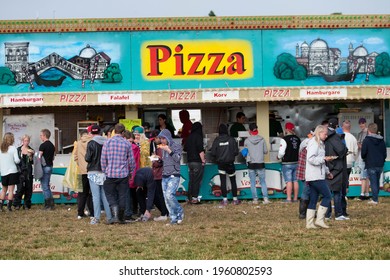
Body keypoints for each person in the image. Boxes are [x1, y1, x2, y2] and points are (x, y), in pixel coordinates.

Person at [101, 123, 136, 224]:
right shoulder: (127, 144)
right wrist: (130, 172)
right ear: (123, 132)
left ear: (114, 131)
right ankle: (120, 218)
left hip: (110, 174)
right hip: (123, 174)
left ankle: (115, 216)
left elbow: (103, 159)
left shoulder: (107, 142)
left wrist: (105, 170)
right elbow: (131, 161)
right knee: (122, 196)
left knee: (110, 194)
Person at [305, 125, 334, 229]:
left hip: (316, 175)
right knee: (328, 196)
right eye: (325, 134)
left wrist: (327, 172)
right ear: (319, 132)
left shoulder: (320, 144)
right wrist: (324, 159)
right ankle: (319, 220)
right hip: (315, 176)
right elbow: (311, 159)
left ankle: (309, 223)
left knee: (313, 199)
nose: (326, 136)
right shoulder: (314, 143)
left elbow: (321, 160)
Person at [85, 125, 112, 225]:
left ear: (91, 133)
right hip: (105, 171)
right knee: (105, 195)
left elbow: (87, 158)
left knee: (95, 196)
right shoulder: (107, 142)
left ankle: (96, 218)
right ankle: (109, 217)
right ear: (101, 132)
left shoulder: (91, 143)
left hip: (93, 171)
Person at [157, 129, 184, 225]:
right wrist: (158, 160)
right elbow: (165, 161)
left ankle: (179, 211)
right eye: (161, 139)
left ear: (168, 137)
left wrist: (169, 150)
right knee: (166, 198)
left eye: (163, 138)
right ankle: (173, 218)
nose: (162, 141)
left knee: (169, 195)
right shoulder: (162, 148)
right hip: (164, 174)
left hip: (174, 174)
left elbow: (177, 158)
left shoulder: (176, 146)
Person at [324, 118, 348, 221]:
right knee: (337, 192)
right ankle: (338, 214)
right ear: (336, 126)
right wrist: (345, 149)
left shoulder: (323, 136)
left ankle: (327, 214)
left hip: (325, 166)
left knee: (327, 192)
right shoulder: (335, 136)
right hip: (336, 167)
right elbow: (341, 150)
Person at [211, 123, 240, 206]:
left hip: (221, 164)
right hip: (230, 163)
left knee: (223, 181)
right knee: (233, 181)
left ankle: (225, 200)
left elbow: (213, 152)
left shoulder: (217, 140)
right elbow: (236, 152)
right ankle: (235, 200)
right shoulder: (231, 139)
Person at [243, 123, 270, 204]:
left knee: (252, 182)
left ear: (249, 131)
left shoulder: (247, 141)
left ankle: (255, 200)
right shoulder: (262, 139)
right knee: (263, 182)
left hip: (251, 164)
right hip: (260, 163)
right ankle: (265, 199)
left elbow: (245, 153)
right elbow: (265, 151)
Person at [361, 123, 387, 205]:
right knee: (377, 181)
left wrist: (365, 159)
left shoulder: (366, 140)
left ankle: (375, 199)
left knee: (373, 182)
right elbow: (384, 153)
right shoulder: (382, 140)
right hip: (380, 164)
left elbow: (363, 153)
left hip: (370, 163)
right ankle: (376, 197)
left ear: (368, 130)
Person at [277, 122, 301, 202]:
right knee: (295, 181)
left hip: (287, 163)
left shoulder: (284, 139)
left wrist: (278, 157)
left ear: (286, 129)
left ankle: (288, 198)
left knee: (288, 181)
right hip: (296, 162)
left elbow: (281, 153)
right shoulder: (298, 139)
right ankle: (295, 198)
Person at [149, 129, 169, 221]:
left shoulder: (160, 148)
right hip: (163, 174)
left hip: (159, 174)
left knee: (160, 195)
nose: (154, 140)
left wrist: (154, 160)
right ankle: (166, 212)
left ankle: (164, 213)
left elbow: (159, 162)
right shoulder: (165, 147)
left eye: (155, 138)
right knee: (163, 194)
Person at [74, 129, 94, 220]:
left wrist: (81, 165)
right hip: (92, 170)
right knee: (92, 193)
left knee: (82, 193)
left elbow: (75, 157)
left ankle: (80, 213)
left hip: (82, 171)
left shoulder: (78, 143)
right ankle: (92, 212)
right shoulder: (92, 141)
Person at [184, 122, 206, 204]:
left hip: (190, 162)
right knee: (196, 181)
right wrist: (203, 160)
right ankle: (194, 199)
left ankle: (189, 198)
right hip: (197, 162)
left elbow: (185, 148)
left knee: (191, 180)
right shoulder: (199, 137)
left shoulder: (189, 137)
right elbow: (200, 150)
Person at [0, 133, 21, 211]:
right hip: (12, 171)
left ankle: (1, 207)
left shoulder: (1, 149)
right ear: (12, 139)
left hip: (3, 171)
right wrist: (20, 158)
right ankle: (9, 207)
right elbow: (17, 160)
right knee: (11, 190)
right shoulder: (13, 148)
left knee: (3, 190)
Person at [296, 129, 314, 219]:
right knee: (307, 191)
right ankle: (303, 213)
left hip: (302, 169)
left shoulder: (304, 142)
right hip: (307, 171)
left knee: (308, 190)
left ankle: (307, 211)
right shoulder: (311, 144)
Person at [341, 120, 358, 217]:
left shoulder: (338, 136)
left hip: (341, 162)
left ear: (342, 127)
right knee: (346, 179)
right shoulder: (353, 138)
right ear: (350, 127)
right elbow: (355, 151)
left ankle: (342, 196)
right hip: (350, 161)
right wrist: (353, 159)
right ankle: (345, 192)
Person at [13, 135, 34, 210]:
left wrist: (31, 156)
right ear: (22, 141)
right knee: (20, 188)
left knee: (28, 188)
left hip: (28, 171)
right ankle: (17, 204)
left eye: (28, 141)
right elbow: (16, 161)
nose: (26, 142)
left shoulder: (31, 150)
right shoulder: (18, 150)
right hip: (20, 171)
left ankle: (26, 204)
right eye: (25, 141)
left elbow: (32, 162)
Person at [123, 130, 140, 222]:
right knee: (131, 193)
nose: (130, 143)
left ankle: (130, 211)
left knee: (129, 193)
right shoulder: (135, 148)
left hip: (129, 172)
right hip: (132, 172)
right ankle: (132, 211)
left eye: (131, 141)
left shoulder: (133, 148)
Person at [39, 128, 56, 210]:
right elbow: (53, 157)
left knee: (44, 186)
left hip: (44, 167)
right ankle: (51, 203)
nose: (40, 137)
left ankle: (47, 205)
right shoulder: (52, 145)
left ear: (44, 136)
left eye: (41, 135)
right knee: (47, 185)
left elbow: (39, 157)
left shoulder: (42, 145)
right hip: (50, 166)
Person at [356, 117, 370, 200]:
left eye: (363, 123)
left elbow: (365, 146)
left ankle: (362, 194)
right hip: (362, 155)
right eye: (360, 123)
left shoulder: (368, 133)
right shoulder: (360, 133)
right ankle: (367, 193)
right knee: (366, 176)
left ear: (365, 123)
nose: (361, 124)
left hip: (366, 156)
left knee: (364, 176)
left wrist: (360, 146)